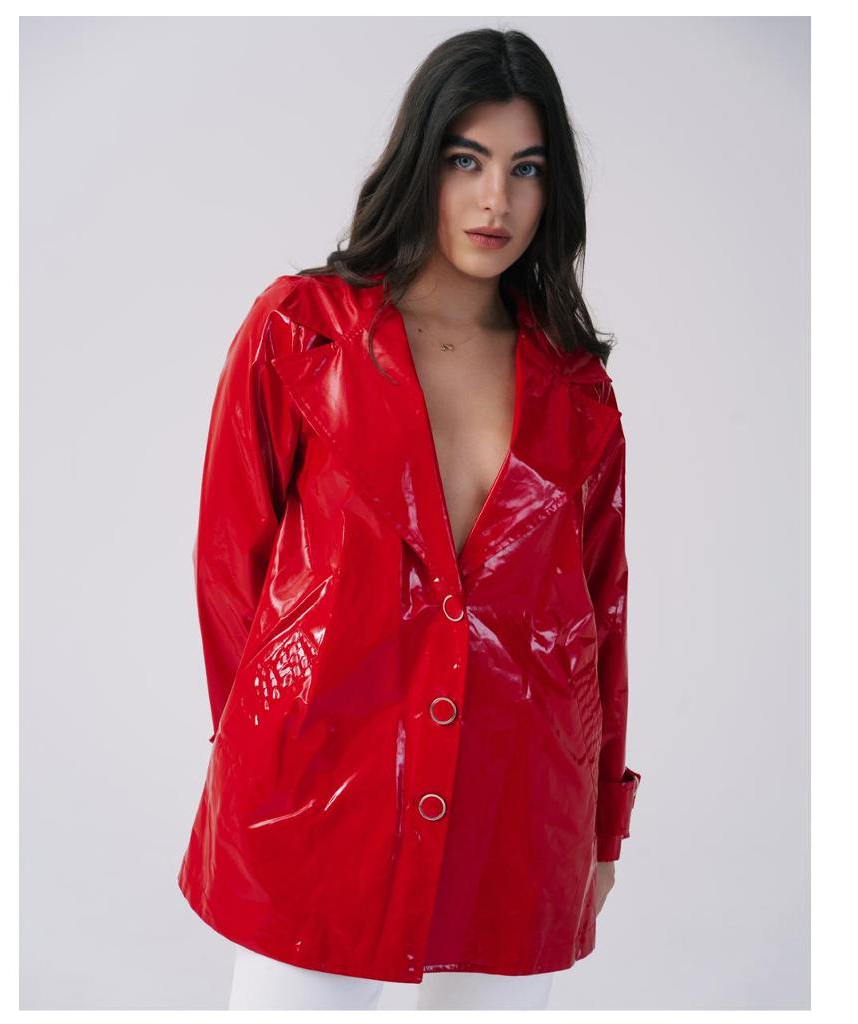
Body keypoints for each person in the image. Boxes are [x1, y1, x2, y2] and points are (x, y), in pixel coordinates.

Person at [178, 27, 642, 1012]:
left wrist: (602, 825)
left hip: (518, 808)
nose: (495, 199)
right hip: (315, 800)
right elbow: (229, 567)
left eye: (526, 169)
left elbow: (601, 617)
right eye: (467, 160)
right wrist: (263, 760)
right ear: (420, 161)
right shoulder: (300, 331)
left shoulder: (577, 388)